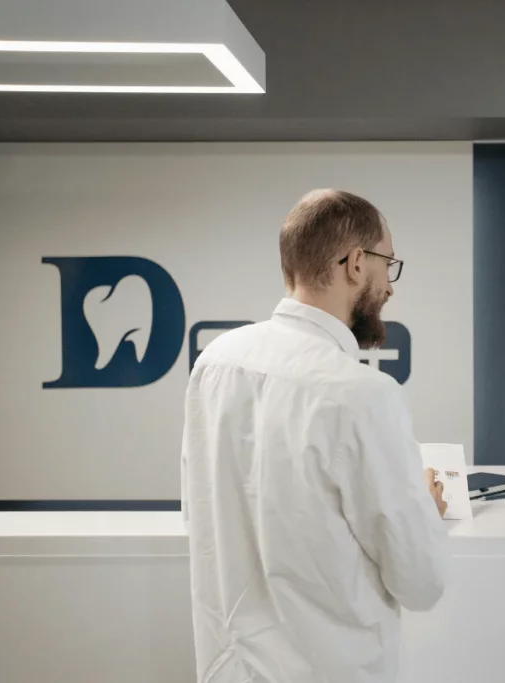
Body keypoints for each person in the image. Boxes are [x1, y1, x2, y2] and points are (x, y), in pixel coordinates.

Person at [180, 189, 450, 683]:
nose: (389, 285)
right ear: (354, 264)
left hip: (227, 667)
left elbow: (199, 513)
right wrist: (424, 514)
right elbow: (420, 582)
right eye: (387, 263)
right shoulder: (365, 395)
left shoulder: (216, 361)